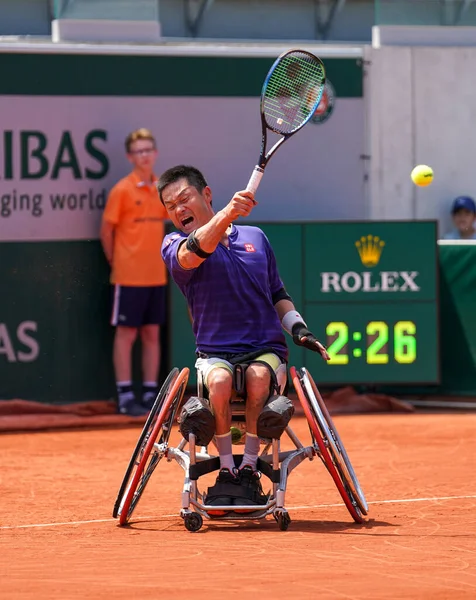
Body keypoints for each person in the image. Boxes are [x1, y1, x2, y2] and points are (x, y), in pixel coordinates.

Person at [158, 165, 329, 503]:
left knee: (257, 377)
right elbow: (194, 253)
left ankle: (249, 467)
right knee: (220, 383)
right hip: (214, 353)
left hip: (264, 349)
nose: (178, 210)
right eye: (169, 206)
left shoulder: (256, 239)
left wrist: (300, 331)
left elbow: (278, 294)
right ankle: (225, 469)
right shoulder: (174, 244)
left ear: (205, 194)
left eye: (184, 199)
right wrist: (226, 214)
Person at [101, 128, 168, 416]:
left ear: (155, 154)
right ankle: (126, 395)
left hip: (157, 275)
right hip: (128, 277)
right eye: (139, 151)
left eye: (148, 150)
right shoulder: (121, 190)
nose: (144, 155)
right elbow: (106, 231)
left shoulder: (162, 189)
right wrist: (119, 263)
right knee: (126, 334)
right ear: (130, 156)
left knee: (152, 334)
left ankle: (152, 395)